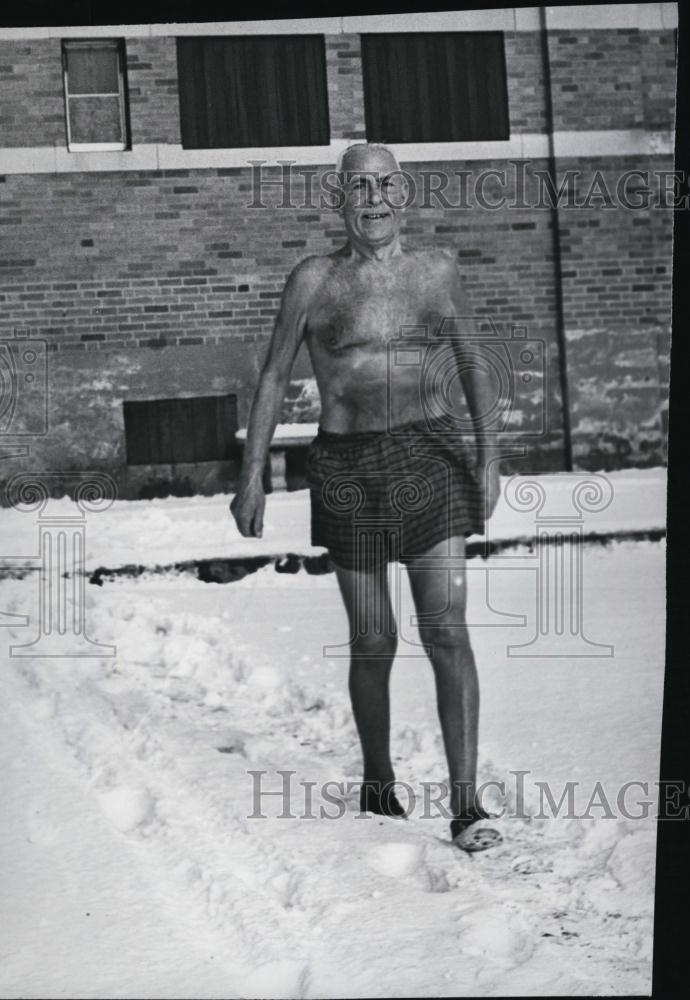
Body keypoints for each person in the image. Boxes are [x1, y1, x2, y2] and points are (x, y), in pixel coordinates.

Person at [231, 142, 503, 852]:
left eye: (385, 186)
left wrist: (490, 457)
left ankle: (466, 804)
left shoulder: (436, 272)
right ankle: (379, 780)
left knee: (446, 629)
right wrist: (252, 472)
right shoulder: (314, 281)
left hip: (430, 453)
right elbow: (273, 376)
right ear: (340, 199)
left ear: (402, 194)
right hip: (347, 466)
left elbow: (473, 359)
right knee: (375, 637)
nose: (374, 200)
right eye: (360, 188)